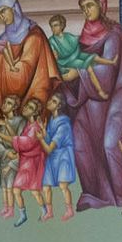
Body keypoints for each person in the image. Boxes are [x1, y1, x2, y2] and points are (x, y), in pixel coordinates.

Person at [56, 0, 122, 211]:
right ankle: (95, 194)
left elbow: (108, 72)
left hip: (117, 97)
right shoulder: (83, 36)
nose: (87, 11)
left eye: (90, 6)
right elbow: (78, 61)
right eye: (83, 8)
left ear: (101, 6)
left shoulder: (114, 34)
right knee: (81, 142)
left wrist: (78, 73)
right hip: (91, 99)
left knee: (112, 144)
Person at [0, 0, 59, 114]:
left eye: (3, 11)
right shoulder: (8, 34)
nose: (2, 17)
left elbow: (22, 75)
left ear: (14, 8)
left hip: (34, 93)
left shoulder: (34, 36)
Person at [11, 97, 49, 226]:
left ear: (35, 113)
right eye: (27, 105)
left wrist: (12, 139)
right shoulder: (28, 125)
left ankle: (44, 211)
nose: (26, 108)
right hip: (25, 163)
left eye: (30, 108)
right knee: (16, 190)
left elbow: (25, 143)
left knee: (34, 191)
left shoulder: (35, 128)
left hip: (32, 163)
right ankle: (23, 215)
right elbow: (20, 142)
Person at [42, 93, 77, 221]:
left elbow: (49, 147)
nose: (50, 101)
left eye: (54, 101)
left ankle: (69, 210)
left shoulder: (63, 125)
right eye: (51, 99)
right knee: (46, 186)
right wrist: (45, 134)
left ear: (59, 106)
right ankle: (49, 212)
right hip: (52, 157)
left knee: (63, 185)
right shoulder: (51, 120)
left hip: (63, 157)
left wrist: (41, 139)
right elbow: (49, 141)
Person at [0, 94, 21, 219]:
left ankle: (11, 209)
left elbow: (18, 140)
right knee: (4, 186)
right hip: (5, 158)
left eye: (8, 103)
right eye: (4, 102)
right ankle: (5, 207)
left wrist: (11, 153)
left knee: (10, 186)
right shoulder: (3, 123)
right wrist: (4, 152)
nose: (4, 105)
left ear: (14, 107)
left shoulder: (20, 121)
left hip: (15, 158)